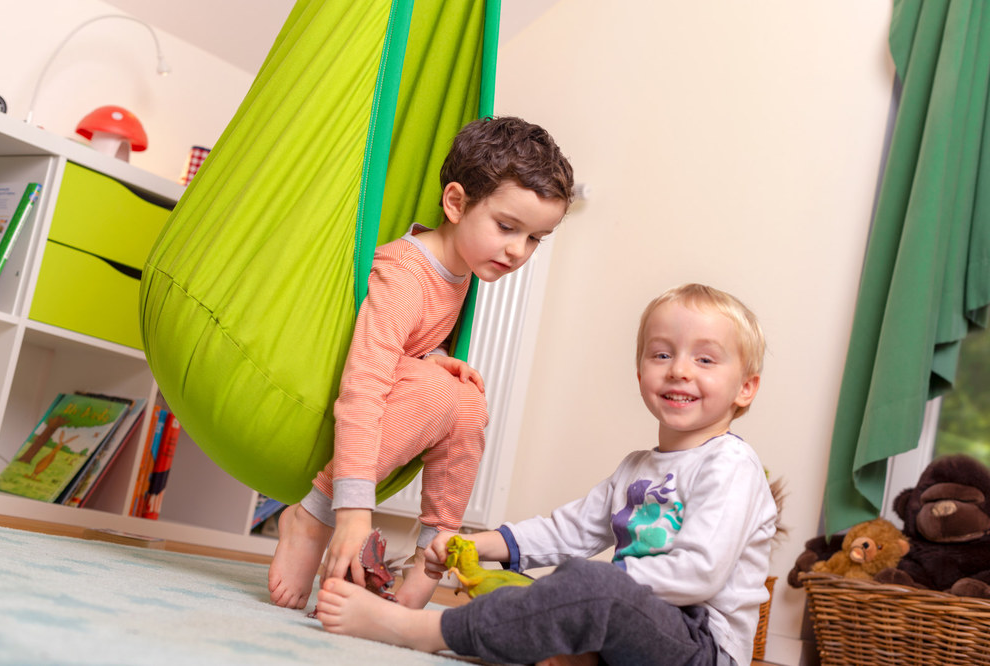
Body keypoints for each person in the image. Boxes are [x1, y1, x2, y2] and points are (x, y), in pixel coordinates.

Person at [313, 283, 779, 666]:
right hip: (635, 627)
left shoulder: (730, 465)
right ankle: (575, 655)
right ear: (640, 374)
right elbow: (570, 530)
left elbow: (698, 573)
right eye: (661, 355)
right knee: (538, 594)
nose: (678, 370)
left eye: (704, 360)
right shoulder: (637, 467)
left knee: (583, 588)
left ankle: (426, 631)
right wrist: (478, 544)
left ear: (746, 388)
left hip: (702, 646)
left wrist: (587, 588)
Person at [268, 116, 575, 611]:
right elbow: (366, 382)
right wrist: (352, 512)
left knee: (469, 402)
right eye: (506, 227)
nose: (518, 251)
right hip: (344, 399)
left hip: (393, 391)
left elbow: (411, 342)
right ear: (455, 203)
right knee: (440, 393)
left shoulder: (462, 267)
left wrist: (436, 357)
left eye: (535, 238)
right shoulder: (406, 275)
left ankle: (432, 553)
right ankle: (310, 517)